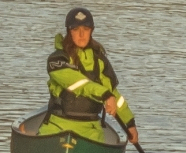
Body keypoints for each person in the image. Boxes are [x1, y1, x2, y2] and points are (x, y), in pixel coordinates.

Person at [39, 7, 140, 144]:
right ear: (69, 31)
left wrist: (130, 123)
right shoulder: (57, 59)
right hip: (57, 126)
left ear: (91, 30)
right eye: (76, 29)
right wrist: (105, 95)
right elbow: (77, 83)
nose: (81, 34)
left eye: (85, 29)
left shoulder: (100, 61)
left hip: (91, 129)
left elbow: (113, 93)